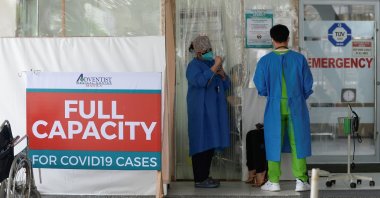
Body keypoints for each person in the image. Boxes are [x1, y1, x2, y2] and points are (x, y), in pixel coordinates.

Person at [253, 24, 314, 192]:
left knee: (273, 143)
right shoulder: (299, 59)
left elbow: (261, 87)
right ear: (288, 38)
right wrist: (299, 97)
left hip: (274, 107)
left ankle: (273, 181)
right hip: (296, 107)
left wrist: (272, 95)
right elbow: (308, 85)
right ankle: (301, 180)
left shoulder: (265, 61)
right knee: (298, 143)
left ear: (272, 39)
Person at [186, 35, 231, 188]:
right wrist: (214, 68)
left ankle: (205, 175)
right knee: (200, 142)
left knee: (210, 143)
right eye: (206, 51)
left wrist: (222, 74)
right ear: (198, 53)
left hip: (214, 111)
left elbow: (227, 85)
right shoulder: (193, 66)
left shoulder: (212, 63)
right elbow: (199, 82)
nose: (209, 53)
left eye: (210, 50)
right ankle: (199, 179)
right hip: (200, 111)